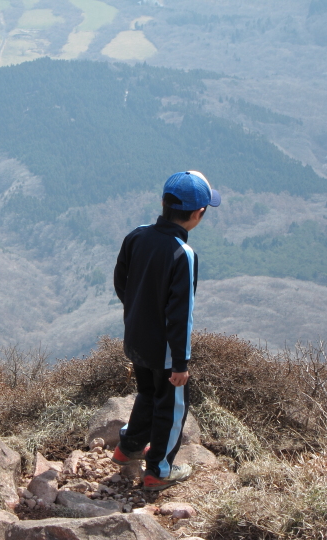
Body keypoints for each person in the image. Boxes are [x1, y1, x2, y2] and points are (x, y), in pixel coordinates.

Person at [112, 170, 220, 491]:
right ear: (198, 214)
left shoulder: (136, 235)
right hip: (166, 351)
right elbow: (180, 314)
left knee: (147, 393)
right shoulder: (182, 255)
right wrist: (181, 364)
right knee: (172, 406)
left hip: (135, 340)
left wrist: (137, 315)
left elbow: (122, 282)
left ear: (163, 202)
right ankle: (159, 470)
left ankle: (128, 448)